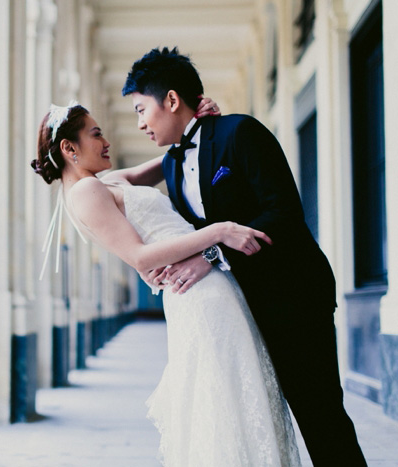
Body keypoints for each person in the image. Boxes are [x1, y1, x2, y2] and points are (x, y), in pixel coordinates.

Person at [121, 47, 366, 466]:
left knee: (318, 415)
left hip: (291, 296)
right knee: (262, 417)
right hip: (238, 311)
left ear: (173, 100)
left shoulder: (240, 132)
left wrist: (211, 255)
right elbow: (114, 189)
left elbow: (282, 213)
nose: (140, 123)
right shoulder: (175, 167)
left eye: (143, 109)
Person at [31, 101, 301, 466]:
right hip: (198, 294)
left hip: (208, 286)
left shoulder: (104, 182)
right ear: (69, 148)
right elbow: (141, 256)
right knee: (226, 398)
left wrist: (196, 125)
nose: (106, 141)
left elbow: (170, 160)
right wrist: (218, 232)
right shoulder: (84, 193)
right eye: (96, 134)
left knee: (235, 393)